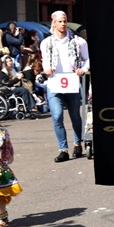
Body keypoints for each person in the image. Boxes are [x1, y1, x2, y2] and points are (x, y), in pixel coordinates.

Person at [41, 11, 90, 163]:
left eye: (65, 21)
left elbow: (87, 58)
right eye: (60, 21)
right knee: (56, 115)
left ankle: (77, 143)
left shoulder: (78, 41)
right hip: (55, 82)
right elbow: (44, 61)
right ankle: (63, 149)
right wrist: (46, 70)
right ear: (53, 23)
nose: (63, 24)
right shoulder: (46, 42)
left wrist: (83, 69)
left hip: (72, 81)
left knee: (75, 115)